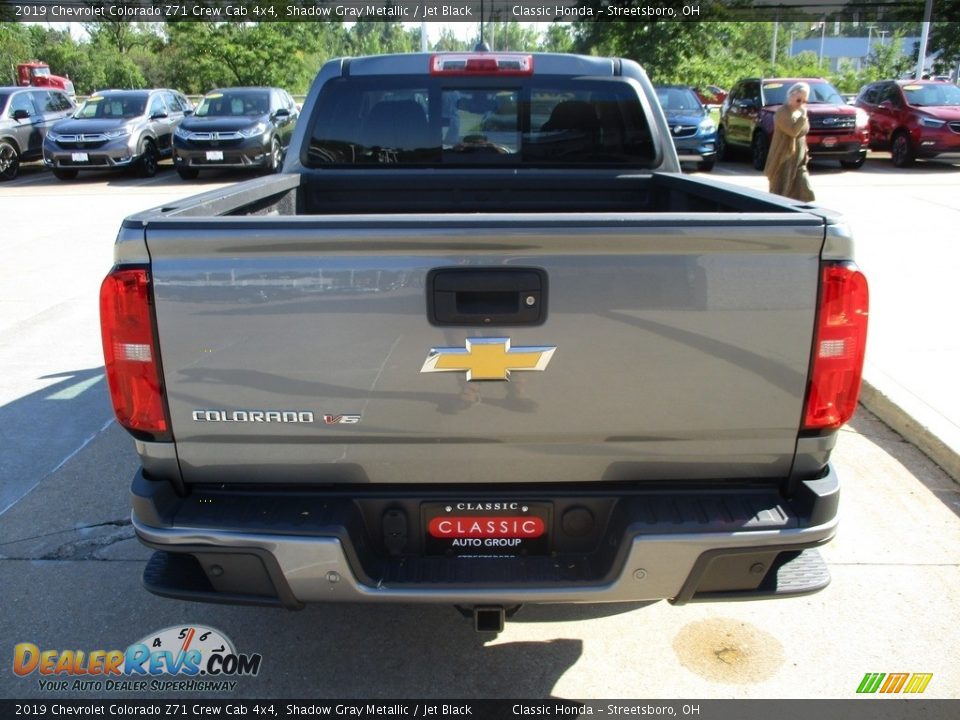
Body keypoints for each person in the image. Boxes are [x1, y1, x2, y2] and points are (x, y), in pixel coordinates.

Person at [764, 82, 815, 202]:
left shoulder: (800, 112)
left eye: (804, 101)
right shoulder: (782, 112)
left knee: (804, 189)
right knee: (782, 189)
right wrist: (803, 117)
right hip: (784, 156)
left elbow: (803, 134)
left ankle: (805, 214)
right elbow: (793, 132)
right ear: (791, 96)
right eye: (799, 100)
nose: (801, 103)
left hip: (799, 158)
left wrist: (806, 152)